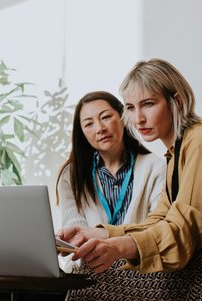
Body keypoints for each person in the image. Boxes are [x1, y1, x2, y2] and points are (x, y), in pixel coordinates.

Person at [58, 58, 202, 274]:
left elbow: (183, 231)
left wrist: (117, 247)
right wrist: (98, 233)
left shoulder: (197, 143)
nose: (138, 118)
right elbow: (159, 220)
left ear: (177, 102)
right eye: (131, 108)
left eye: (148, 104)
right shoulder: (176, 151)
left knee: (95, 281)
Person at [56, 91, 165, 228]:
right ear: (82, 133)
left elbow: (157, 228)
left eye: (106, 117)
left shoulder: (156, 166)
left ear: (123, 118)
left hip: (141, 250)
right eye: (89, 124)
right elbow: (75, 234)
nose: (100, 129)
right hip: (89, 250)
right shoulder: (70, 176)